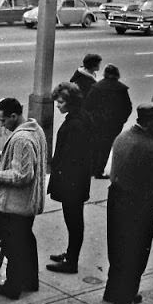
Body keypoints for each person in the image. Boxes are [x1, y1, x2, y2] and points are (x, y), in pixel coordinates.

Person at [103, 102, 153, 304]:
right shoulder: (152, 148)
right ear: (150, 123)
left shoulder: (123, 137)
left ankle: (112, 292)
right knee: (136, 253)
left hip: (116, 198)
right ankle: (124, 301)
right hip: (138, 204)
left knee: (117, 248)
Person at [0, 98, 47, 300]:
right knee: (26, 241)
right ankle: (30, 281)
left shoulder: (21, 139)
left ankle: (13, 286)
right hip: (28, 202)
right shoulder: (36, 130)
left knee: (13, 246)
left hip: (16, 204)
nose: (1, 125)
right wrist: (4, 156)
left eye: (3, 120)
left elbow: (22, 175)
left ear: (14, 116)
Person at [46, 82, 93, 274]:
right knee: (73, 221)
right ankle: (70, 254)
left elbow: (72, 158)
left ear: (71, 102)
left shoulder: (76, 124)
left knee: (73, 221)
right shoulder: (79, 117)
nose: (58, 105)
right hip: (75, 181)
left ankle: (71, 261)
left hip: (72, 182)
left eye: (61, 102)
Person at [84, 64, 132, 179]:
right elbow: (127, 107)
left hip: (97, 122)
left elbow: (88, 105)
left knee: (95, 145)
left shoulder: (97, 87)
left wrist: (93, 118)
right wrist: (122, 120)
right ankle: (99, 170)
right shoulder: (121, 89)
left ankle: (92, 169)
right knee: (106, 147)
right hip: (114, 124)